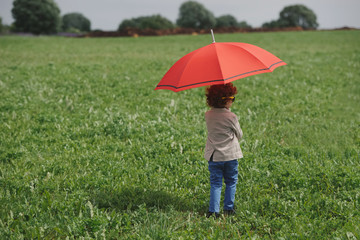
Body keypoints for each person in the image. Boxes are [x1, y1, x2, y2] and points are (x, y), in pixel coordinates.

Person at [204, 83, 243, 218]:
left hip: (214, 156)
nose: (232, 101)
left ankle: (213, 211)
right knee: (231, 181)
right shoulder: (231, 116)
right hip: (230, 156)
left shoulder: (208, 115)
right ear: (225, 100)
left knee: (215, 183)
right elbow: (239, 134)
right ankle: (228, 208)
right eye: (232, 98)